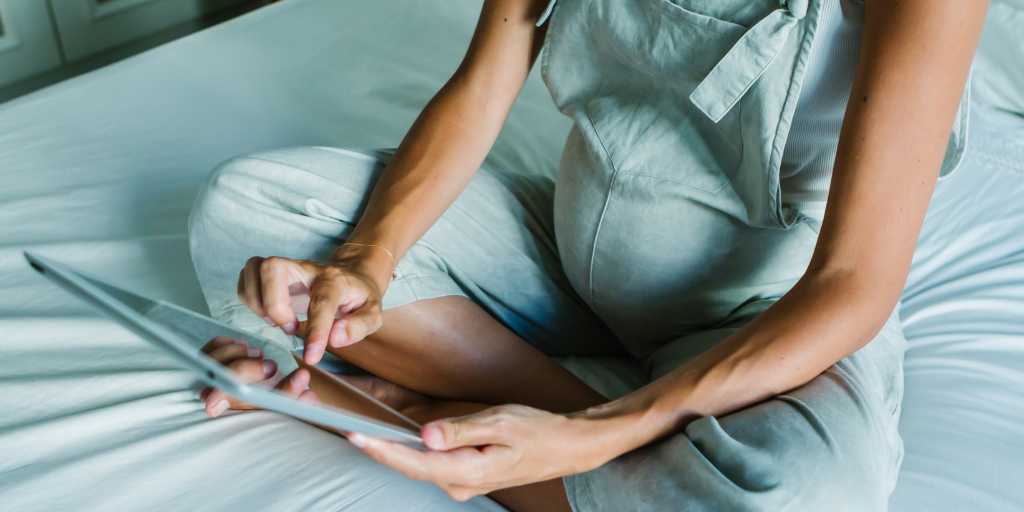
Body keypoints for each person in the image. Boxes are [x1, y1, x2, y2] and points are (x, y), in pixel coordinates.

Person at [188, 0, 989, 510]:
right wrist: (369, 259)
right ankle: (580, 432)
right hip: (558, 271)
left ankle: (393, 410)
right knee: (250, 214)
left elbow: (853, 285)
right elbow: (480, 88)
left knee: (806, 496)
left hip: (768, 326)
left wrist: (602, 433)